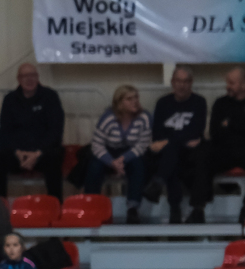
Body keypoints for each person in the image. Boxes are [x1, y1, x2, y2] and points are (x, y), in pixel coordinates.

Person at [0, 64, 65, 198]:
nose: (29, 79)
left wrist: (37, 154)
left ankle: (56, 206)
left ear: (37, 77)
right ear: (18, 79)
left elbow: (55, 131)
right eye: (25, 76)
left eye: (32, 75)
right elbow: (4, 133)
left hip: (43, 152)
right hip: (17, 153)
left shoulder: (50, 96)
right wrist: (17, 152)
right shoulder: (9, 99)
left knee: (54, 160)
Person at [194, 67, 245, 223]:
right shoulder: (220, 103)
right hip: (226, 151)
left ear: (244, 84)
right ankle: (198, 208)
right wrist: (241, 125)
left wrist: (230, 124)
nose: (227, 86)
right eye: (227, 82)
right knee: (203, 152)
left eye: (232, 83)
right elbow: (215, 132)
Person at [147, 65, 207, 223]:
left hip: (189, 152)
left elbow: (195, 132)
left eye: (186, 81)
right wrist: (175, 140)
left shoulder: (199, 102)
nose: (182, 85)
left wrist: (169, 140)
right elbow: (157, 133)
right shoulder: (162, 103)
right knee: (171, 155)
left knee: (172, 154)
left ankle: (168, 198)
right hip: (170, 150)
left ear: (191, 83)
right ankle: (175, 207)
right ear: (172, 82)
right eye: (179, 81)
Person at [83, 85, 153, 223]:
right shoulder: (108, 118)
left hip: (131, 153)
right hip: (107, 152)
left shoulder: (144, 117)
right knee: (94, 166)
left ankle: (133, 209)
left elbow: (142, 145)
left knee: (138, 164)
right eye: (129, 99)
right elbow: (97, 144)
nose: (135, 101)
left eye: (136, 97)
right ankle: (91, 205)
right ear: (120, 102)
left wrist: (122, 159)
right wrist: (111, 162)